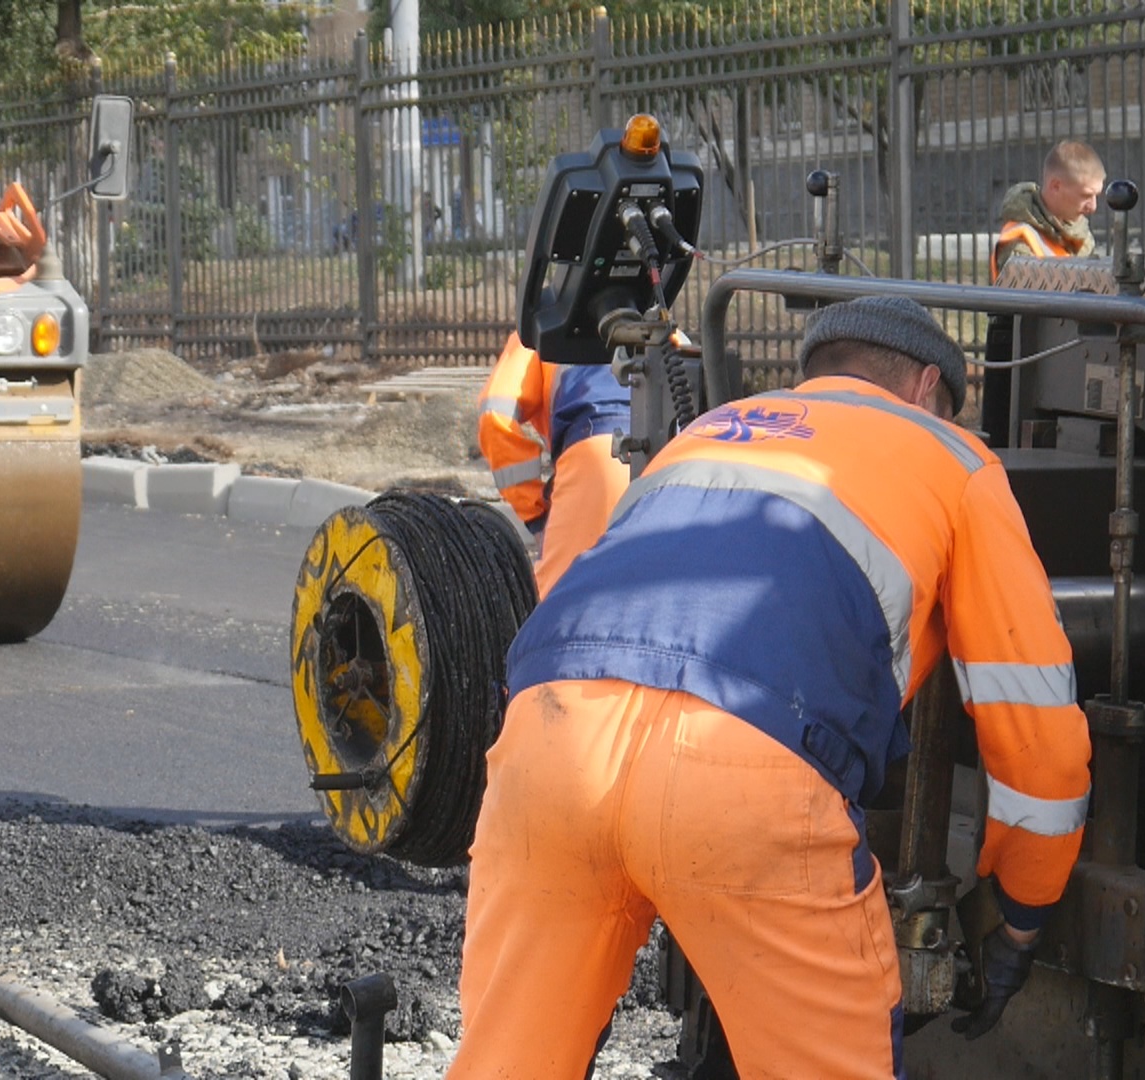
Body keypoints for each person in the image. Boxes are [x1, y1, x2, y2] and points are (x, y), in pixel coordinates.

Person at [448, 297, 1092, 1079]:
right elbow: (1039, 743)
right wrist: (1019, 917)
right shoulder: (955, 458)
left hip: (547, 748)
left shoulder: (708, 432)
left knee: (507, 1064)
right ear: (927, 386)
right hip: (746, 775)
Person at [476, 331, 632, 597]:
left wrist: (535, 514)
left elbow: (495, 418)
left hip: (595, 458)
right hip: (668, 465)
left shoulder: (541, 328)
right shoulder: (660, 323)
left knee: (555, 616)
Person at [982, 140, 1104, 445]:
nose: (1093, 207)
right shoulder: (1019, 238)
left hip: (1063, 358)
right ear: (1056, 186)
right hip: (1020, 358)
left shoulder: (1078, 238)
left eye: (1097, 195)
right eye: (1086, 196)